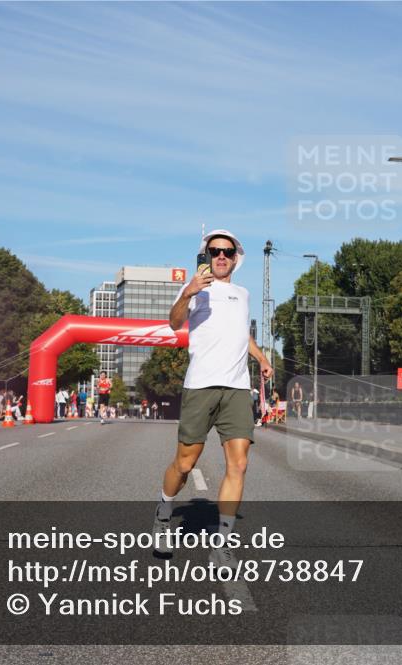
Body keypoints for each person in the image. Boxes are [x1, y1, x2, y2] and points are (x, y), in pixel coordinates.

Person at [152, 229, 273, 566]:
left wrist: (261, 359)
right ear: (207, 255)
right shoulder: (195, 290)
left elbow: (240, 334)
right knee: (185, 464)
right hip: (201, 386)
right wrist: (188, 293)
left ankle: (223, 543)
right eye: (215, 250)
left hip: (236, 388)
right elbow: (175, 323)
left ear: (236, 258)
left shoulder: (243, 293)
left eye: (227, 252)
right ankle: (163, 513)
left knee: (240, 464)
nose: (221, 256)